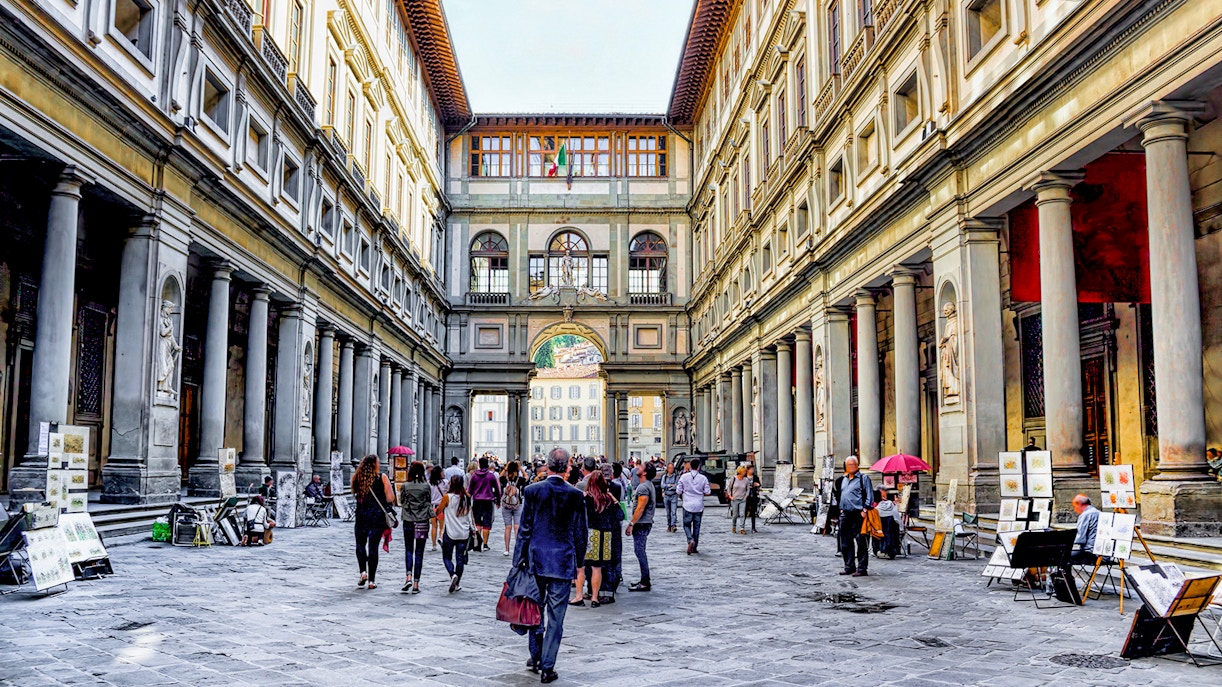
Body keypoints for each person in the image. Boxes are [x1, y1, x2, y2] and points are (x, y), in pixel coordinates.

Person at [514, 448, 587, 684]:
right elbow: (580, 533)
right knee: (556, 617)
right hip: (563, 562)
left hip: (536, 560)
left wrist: (518, 561)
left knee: (535, 610)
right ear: (567, 467)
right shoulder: (575, 495)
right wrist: (579, 562)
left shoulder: (533, 491)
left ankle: (535, 657)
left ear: (547, 465)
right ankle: (548, 666)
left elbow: (525, 529)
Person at [571, 472, 618, 608]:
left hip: (590, 533)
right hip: (605, 535)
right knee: (597, 569)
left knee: (581, 567)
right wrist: (613, 498)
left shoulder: (586, 498)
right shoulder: (607, 498)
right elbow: (619, 515)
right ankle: (595, 598)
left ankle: (579, 596)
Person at [351, 454, 396, 589]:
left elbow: (356, 495)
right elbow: (390, 498)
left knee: (360, 544)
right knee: (373, 547)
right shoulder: (381, 477)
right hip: (377, 517)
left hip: (361, 515)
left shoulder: (357, 478)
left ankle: (363, 572)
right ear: (374, 465)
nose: (380, 464)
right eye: (378, 462)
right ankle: (372, 581)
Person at [831, 456, 874, 577]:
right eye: (849, 465)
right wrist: (840, 508)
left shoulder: (863, 478)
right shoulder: (843, 480)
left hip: (858, 514)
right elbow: (841, 494)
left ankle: (862, 568)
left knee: (861, 542)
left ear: (858, 465)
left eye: (853, 465)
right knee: (845, 542)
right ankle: (849, 566)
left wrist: (865, 508)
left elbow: (870, 495)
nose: (851, 467)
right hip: (845, 514)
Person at [398, 461, 432, 594]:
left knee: (408, 549)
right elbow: (428, 502)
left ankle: (408, 577)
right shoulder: (426, 486)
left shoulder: (405, 486)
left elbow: (402, 501)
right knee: (419, 552)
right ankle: (416, 583)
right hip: (422, 520)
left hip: (408, 519)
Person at [436, 475, 473, 593]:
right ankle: (457, 584)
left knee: (447, 557)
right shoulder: (467, 497)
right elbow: (469, 514)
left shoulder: (447, 497)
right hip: (464, 532)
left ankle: (452, 574)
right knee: (460, 558)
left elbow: (438, 511)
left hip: (450, 532)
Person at [627, 464, 656, 591]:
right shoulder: (647, 485)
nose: (638, 467)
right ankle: (644, 579)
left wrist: (631, 523)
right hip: (645, 522)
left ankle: (645, 581)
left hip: (642, 523)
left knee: (639, 551)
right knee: (640, 551)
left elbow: (640, 507)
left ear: (644, 473)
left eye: (641, 467)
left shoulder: (644, 487)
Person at [676, 458, 711, 555]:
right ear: (699, 466)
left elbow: (678, 490)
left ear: (690, 466)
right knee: (697, 527)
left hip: (687, 504)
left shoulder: (684, 477)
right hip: (699, 505)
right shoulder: (703, 478)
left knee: (686, 525)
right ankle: (695, 547)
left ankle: (690, 539)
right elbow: (708, 492)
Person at [469, 457, 502, 551]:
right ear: (487, 464)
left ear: (479, 464)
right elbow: (497, 489)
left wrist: (468, 501)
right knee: (487, 522)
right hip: (488, 501)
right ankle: (485, 544)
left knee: (477, 522)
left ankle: (477, 543)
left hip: (477, 501)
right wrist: (498, 501)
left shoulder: (474, 475)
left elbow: (470, 489)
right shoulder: (491, 475)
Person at [500, 461, 528, 556]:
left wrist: (505, 468)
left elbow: (498, 478)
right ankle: (518, 548)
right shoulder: (519, 479)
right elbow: (526, 477)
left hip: (506, 504)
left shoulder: (505, 479)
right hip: (517, 504)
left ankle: (507, 549)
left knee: (507, 527)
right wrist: (521, 468)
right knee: (517, 527)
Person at [1070, 494, 1100, 565]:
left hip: (1090, 553)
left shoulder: (1085, 515)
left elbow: (1080, 539)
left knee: (1062, 556)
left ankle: (1066, 576)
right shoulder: (1099, 513)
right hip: (1102, 553)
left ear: (1079, 504)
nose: (1075, 510)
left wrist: (1066, 542)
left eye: (1075, 507)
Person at [873, 489, 900, 559]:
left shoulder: (876, 509)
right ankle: (892, 551)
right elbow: (897, 518)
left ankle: (880, 550)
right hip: (894, 529)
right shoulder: (891, 504)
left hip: (880, 531)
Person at [728, 465, 751, 534]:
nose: (745, 473)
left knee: (742, 514)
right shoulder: (734, 479)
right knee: (735, 514)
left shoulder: (746, 480)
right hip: (734, 499)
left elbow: (748, 489)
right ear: (740, 472)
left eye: (745, 472)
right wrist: (730, 496)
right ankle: (734, 526)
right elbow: (729, 488)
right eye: (744, 471)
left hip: (743, 499)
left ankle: (742, 528)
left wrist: (746, 496)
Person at [428, 465, 446, 550]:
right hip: (441, 507)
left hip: (432, 507)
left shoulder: (429, 484)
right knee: (442, 526)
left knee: (434, 526)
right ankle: (441, 538)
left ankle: (434, 545)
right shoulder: (445, 482)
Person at [660, 462, 680, 533]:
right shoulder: (664, 477)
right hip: (666, 496)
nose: (671, 469)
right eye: (670, 468)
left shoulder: (676, 476)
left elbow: (676, 486)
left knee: (674, 512)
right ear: (667, 469)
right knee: (668, 512)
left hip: (674, 495)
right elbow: (662, 485)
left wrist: (668, 487)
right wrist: (669, 486)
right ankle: (669, 525)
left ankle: (673, 525)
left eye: (672, 468)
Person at [745, 464, 761, 533]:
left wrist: (757, 485)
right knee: (744, 512)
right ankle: (742, 526)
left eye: (753, 469)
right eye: (751, 469)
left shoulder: (755, 477)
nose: (752, 470)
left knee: (753, 513)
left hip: (753, 496)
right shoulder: (744, 477)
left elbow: (759, 484)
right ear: (747, 470)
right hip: (746, 497)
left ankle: (753, 527)